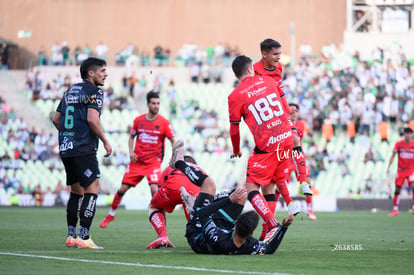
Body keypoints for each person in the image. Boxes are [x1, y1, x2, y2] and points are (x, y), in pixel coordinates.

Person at [170, 139, 294, 255]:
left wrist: (229, 200)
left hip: (197, 232)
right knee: (243, 193)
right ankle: (196, 203)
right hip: (220, 228)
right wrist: (284, 227)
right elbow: (270, 249)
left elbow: (202, 214)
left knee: (209, 184)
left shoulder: (218, 239)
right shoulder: (249, 245)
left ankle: (178, 163)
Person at [228, 55, 295, 236]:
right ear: (251, 69)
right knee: (269, 186)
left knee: (251, 187)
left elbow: (234, 130)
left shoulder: (234, 96)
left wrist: (236, 150)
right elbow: (286, 108)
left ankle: (272, 224)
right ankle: (266, 234)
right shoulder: (268, 80)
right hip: (286, 139)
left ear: (236, 75)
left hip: (268, 145)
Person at [52, 57, 112, 249]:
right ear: (91, 73)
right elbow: (93, 119)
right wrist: (105, 141)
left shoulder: (69, 91)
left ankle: (71, 235)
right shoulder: (95, 92)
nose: (106, 74)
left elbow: (56, 119)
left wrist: (69, 135)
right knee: (92, 187)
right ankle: (84, 237)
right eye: (102, 71)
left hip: (66, 147)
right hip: (83, 148)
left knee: (76, 190)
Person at [100, 91, 175, 228]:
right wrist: (131, 152)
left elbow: (173, 140)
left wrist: (174, 157)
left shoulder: (164, 123)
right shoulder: (139, 121)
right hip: (137, 163)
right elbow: (131, 137)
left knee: (154, 190)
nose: (156, 106)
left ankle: (161, 224)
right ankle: (111, 214)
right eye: (153, 103)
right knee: (122, 188)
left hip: (153, 162)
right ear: (148, 104)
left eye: (158, 103)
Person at [146, 155, 200, 249]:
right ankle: (200, 237)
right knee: (195, 217)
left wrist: (160, 226)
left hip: (175, 184)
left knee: (153, 206)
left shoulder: (171, 167)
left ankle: (162, 237)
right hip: (195, 188)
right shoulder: (198, 169)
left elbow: (158, 195)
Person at [285, 103, 317, 220]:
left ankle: (309, 209)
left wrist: (301, 154)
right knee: (280, 185)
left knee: (307, 180)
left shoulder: (301, 125)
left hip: (296, 156)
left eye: (295, 112)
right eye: (291, 111)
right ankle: (286, 207)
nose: (293, 114)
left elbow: (300, 140)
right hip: (286, 157)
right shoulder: (283, 123)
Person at [386, 127, 414, 216]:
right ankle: (395, 209)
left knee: (413, 186)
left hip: (411, 170)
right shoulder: (398, 144)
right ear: (404, 134)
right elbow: (393, 155)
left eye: (410, 133)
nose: (408, 135)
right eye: (406, 133)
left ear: (412, 134)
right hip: (401, 170)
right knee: (397, 189)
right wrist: (388, 167)